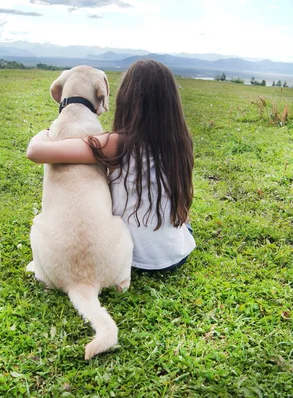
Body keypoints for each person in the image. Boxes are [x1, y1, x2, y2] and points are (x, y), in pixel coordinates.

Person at [26, 60, 195, 272]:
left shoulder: (116, 144)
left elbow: (35, 152)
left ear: (126, 100)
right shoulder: (181, 143)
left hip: (129, 258)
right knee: (184, 222)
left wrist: (45, 133)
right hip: (176, 257)